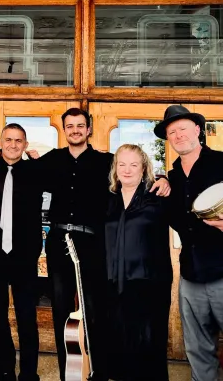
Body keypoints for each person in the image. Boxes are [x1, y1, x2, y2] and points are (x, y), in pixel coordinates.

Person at [0, 107, 170, 381]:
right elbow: (16, 164)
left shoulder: (106, 161)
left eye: (80, 125)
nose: (75, 130)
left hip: (93, 245)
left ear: (88, 129)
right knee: (61, 312)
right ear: (64, 129)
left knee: (95, 311)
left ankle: (98, 372)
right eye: (69, 126)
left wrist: (164, 177)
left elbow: (133, 170)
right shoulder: (51, 160)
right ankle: (67, 374)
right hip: (59, 244)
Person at [155, 104, 223, 381]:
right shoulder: (170, 178)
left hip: (222, 271)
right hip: (191, 275)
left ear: (197, 130)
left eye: (182, 128)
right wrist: (161, 180)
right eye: (172, 132)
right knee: (198, 349)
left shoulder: (221, 163)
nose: (178, 135)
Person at [0, 124, 44, 381]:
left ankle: (29, 372)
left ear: (25, 145)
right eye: (8, 140)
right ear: (0, 142)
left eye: (19, 141)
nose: (13, 145)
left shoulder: (36, 171)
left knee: (26, 314)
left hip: (24, 254)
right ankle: (4, 367)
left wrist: (36, 157)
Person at [105, 144, 172, 381]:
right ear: (115, 168)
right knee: (119, 342)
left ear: (143, 168)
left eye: (134, 164)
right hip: (114, 283)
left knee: (148, 343)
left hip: (149, 284)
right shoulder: (108, 199)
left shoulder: (158, 198)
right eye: (122, 164)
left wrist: (165, 178)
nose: (127, 169)